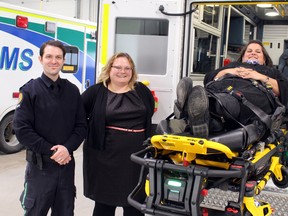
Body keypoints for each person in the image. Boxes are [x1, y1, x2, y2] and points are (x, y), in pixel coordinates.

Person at [13, 40, 87, 215]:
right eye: (49, 56)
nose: (54, 61)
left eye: (58, 57)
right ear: (40, 59)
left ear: (63, 60)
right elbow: (22, 129)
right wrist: (53, 151)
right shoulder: (30, 91)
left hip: (66, 167)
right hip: (40, 168)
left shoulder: (72, 91)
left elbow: (81, 126)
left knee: (65, 212)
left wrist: (67, 148)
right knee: (35, 211)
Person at [81, 52, 155, 216]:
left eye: (127, 68)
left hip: (137, 157)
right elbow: (79, 118)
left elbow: (148, 114)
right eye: (118, 67)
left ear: (132, 71)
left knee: (135, 203)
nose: (123, 71)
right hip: (104, 157)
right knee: (104, 204)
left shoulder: (141, 90)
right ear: (109, 69)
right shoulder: (95, 92)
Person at [176, 40, 288, 139]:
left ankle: (189, 105)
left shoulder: (271, 71)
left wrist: (259, 76)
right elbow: (209, 78)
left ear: (264, 59)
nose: (253, 53)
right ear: (243, 57)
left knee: (229, 99)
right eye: (249, 51)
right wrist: (229, 71)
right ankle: (204, 113)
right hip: (220, 87)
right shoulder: (233, 66)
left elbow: (284, 89)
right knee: (210, 93)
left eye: (258, 52)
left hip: (251, 93)